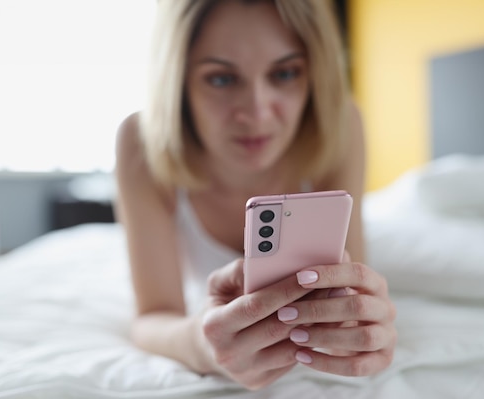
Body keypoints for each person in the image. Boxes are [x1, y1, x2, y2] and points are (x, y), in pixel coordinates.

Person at [114, 0, 397, 391]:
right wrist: (203, 345)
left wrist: (357, 317)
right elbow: (153, 316)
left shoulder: (340, 124)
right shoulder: (141, 141)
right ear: (178, 81)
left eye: (284, 73)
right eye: (221, 79)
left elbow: (347, 281)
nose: (257, 112)